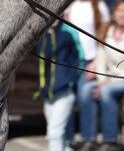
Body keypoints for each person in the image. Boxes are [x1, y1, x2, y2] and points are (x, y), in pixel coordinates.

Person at [78, 0, 124, 151]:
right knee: (85, 89)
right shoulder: (107, 33)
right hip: (108, 80)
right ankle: (88, 138)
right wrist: (102, 80)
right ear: (114, 13)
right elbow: (101, 61)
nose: (122, 14)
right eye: (119, 11)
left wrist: (109, 83)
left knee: (105, 91)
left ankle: (110, 140)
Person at [34, 19, 85, 151]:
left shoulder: (67, 33)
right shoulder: (42, 35)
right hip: (48, 95)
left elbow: (79, 57)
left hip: (64, 93)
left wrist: (70, 79)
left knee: (54, 133)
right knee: (58, 135)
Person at [69, 0, 111, 142]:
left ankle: (88, 138)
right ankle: (68, 139)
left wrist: (96, 62)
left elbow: (104, 37)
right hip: (72, 60)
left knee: (84, 96)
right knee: (68, 99)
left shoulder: (99, 6)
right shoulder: (71, 5)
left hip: (90, 60)